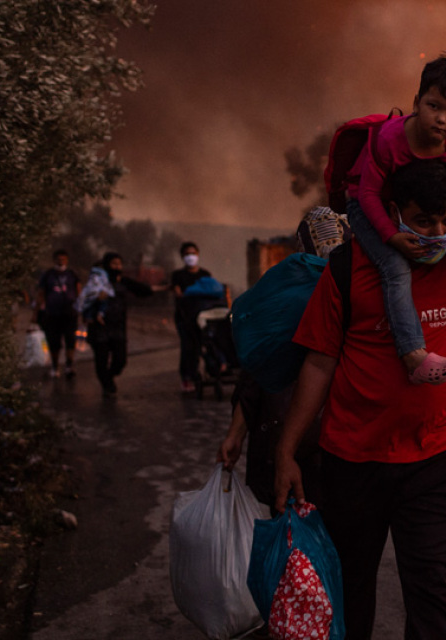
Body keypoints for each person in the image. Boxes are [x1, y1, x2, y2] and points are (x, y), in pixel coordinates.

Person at [275, 160, 446, 639]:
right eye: (423, 221)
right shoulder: (349, 267)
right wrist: (286, 451)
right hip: (352, 461)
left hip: (432, 459)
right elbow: (319, 363)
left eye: (445, 222)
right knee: (350, 596)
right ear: (393, 213)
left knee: (435, 594)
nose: (436, 233)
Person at [217, 207, 350, 510]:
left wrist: (235, 434)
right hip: (331, 442)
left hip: (283, 434)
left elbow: (255, 370)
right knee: (330, 539)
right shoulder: (356, 288)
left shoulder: (279, 291)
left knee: (288, 534)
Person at [346, 54, 446, 384]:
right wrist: (391, 236)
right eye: (435, 106)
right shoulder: (390, 140)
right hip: (367, 205)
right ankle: (412, 355)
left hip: (410, 208)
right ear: (417, 102)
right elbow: (369, 195)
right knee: (395, 268)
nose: (442, 119)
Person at [85, 251, 152, 397]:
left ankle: (109, 377)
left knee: (120, 360)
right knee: (101, 359)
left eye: (119, 264)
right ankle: (107, 384)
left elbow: (144, 291)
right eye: (114, 264)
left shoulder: (124, 281)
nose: (117, 267)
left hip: (118, 328)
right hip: (99, 328)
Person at [171, 242, 212, 393]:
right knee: (187, 347)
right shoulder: (178, 275)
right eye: (187, 254)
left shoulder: (205, 274)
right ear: (182, 257)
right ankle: (187, 377)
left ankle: (198, 374)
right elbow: (178, 293)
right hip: (184, 317)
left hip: (202, 316)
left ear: (198, 254)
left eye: (193, 253)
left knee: (200, 346)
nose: (191, 257)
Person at [33, 249, 81, 378]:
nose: (61, 262)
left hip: (69, 313)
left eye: (63, 259)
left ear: (67, 260)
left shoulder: (72, 274)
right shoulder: (48, 275)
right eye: (59, 259)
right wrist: (36, 312)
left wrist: (80, 309)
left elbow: (78, 291)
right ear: (54, 260)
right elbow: (41, 293)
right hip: (52, 314)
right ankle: (55, 366)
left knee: (70, 340)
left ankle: (69, 366)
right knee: (54, 342)